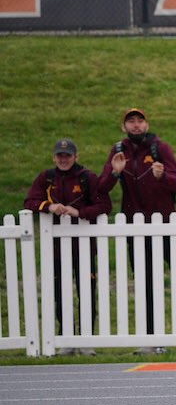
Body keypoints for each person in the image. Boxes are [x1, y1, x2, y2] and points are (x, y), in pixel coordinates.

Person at [98, 108, 176, 353]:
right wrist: (115, 172)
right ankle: (151, 339)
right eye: (131, 122)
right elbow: (101, 187)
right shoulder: (118, 151)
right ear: (124, 127)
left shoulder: (160, 148)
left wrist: (163, 176)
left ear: (147, 124)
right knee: (146, 284)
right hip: (136, 230)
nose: (136, 125)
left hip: (166, 226)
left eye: (140, 121)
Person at [24, 139, 112, 354]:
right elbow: (29, 202)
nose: (64, 159)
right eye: (60, 156)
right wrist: (49, 206)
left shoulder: (86, 177)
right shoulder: (47, 178)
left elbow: (104, 206)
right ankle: (66, 340)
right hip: (55, 248)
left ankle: (86, 341)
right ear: (54, 157)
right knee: (60, 294)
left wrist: (79, 213)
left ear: (75, 157)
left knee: (86, 294)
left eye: (68, 156)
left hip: (83, 246)